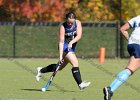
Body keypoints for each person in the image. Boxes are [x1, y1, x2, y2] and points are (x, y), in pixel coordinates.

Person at [36, 11, 90, 90]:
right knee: (75, 63)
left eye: (72, 23)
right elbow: (61, 42)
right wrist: (61, 56)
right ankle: (80, 84)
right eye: (68, 22)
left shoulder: (78, 23)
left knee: (59, 68)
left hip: (71, 46)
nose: (70, 24)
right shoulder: (63, 26)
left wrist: (71, 42)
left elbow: (79, 35)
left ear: (75, 20)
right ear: (66, 20)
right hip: (64, 47)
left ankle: (40, 70)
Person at [103, 15, 140, 100]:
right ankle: (110, 89)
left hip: (131, 44)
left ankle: (110, 90)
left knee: (130, 69)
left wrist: (130, 40)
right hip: (139, 46)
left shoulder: (138, 17)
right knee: (129, 69)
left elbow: (122, 29)